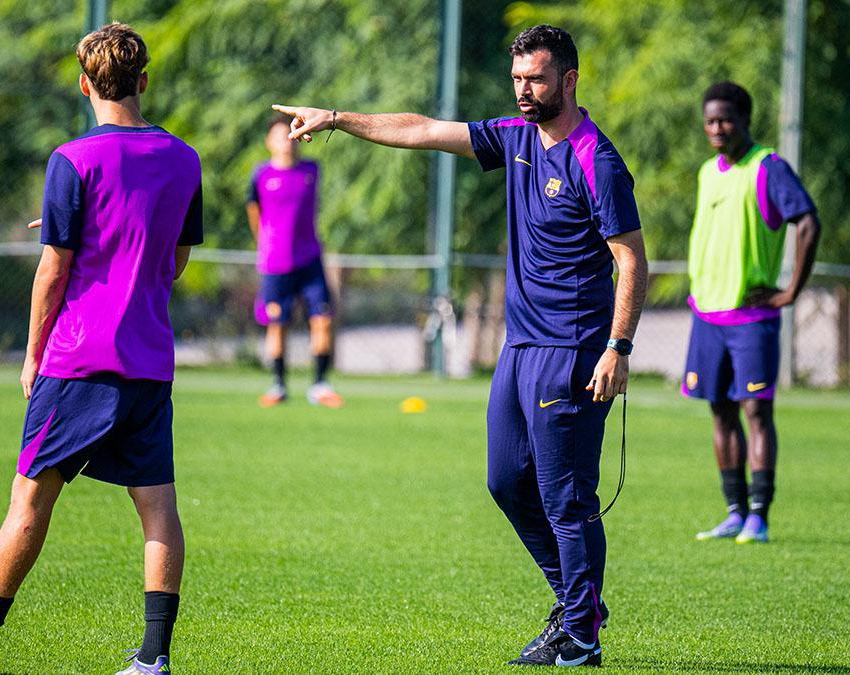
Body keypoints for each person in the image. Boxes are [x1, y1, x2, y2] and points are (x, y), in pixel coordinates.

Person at [274, 23, 648, 668]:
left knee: (566, 497)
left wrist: (618, 347)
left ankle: (581, 634)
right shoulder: (517, 139)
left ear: (569, 79)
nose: (524, 91)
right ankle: (578, 601)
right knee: (504, 481)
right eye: (517, 80)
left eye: (535, 78)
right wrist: (335, 119)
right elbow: (419, 129)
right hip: (520, 347)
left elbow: (634, 260)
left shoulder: (596, 159)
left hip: (575, 348)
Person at [0, 23, 202, 675]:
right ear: (144, 81)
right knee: (158, 508)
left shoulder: (72, 159)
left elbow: (52, 271)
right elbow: (172, 260)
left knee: (30, 500)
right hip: (149, 360)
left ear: (85, 84)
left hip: (81, 358)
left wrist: (33, 353)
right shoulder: (185, 159)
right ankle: (153, 657)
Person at [684, 81, 820, 545]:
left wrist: (789, 292)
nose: (717, 128)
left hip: (751, 317)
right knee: (720, 413)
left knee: (756, 411)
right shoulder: (707, 172)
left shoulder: (768, 167)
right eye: (710, 121)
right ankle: (734, 512)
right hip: (707, 314)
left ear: (745, 120)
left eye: (725, 119)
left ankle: (759, 516)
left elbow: (808, 222)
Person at [247, 113, 343, 408]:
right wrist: (266, 244)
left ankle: (320, 385)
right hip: (276, 264)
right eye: (278, 136)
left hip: (310, 260)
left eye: (289, 135)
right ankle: (278, 385)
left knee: (322, 320)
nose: (285, 142)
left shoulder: (312, 170)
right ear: (268, 142)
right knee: (278, 324)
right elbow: (254, 212)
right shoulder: (261, 175)